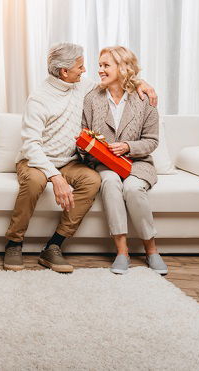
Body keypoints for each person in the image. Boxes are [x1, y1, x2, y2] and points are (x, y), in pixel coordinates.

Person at [3, 43, 157, 272]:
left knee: (93, 180)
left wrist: (142, 83)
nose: (85, 70)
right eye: (80, 66)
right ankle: (14, 243)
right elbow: (31, 146)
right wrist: (54, 177)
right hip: (36, 161)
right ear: (64, 72)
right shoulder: (39, 99)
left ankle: (54, 246)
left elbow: (117, 81)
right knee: (35, 181)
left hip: (69, 162)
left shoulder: (82, 86)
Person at [81, 46, 167, 275]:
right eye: (99, 65)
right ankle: (122, 252)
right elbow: (85, 134)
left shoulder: (144, 98)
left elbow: (152, 141)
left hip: (138, 163)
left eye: (106, 65)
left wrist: (129, 147)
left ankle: (151, 249)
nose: (100, 70)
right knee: (109, 183)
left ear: (122, 67)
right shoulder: (92, 98)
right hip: (104, 164)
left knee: (133, 189)